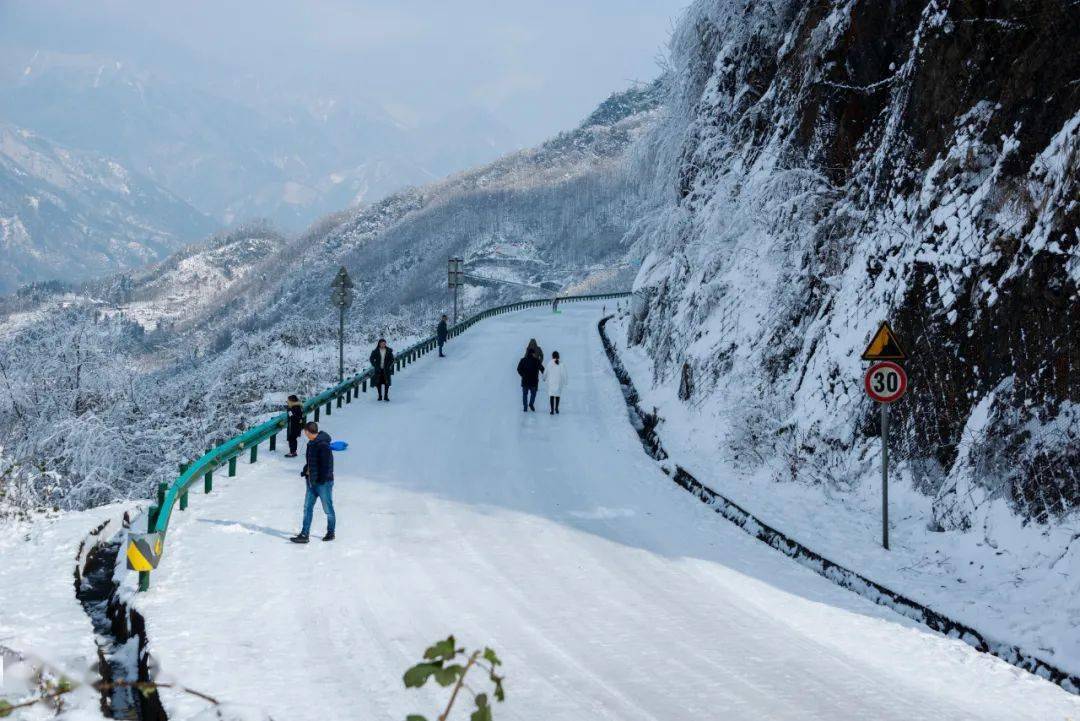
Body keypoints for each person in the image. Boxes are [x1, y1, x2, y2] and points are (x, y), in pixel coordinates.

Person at [290, 422, 336, 543]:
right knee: (307, 507)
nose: (304, 434)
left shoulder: (323, 445)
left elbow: (326, 466)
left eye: (305, 432)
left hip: (323, 483)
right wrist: (306, 470)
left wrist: (320, 480)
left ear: (308, 432)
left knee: (328, 509)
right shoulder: (311, 444)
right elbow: (312, 462)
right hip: (311, 482)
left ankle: (331, 533)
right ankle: (304, 535)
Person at [517, 347, 544, 412]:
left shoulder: (523, 360)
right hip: (533, 381)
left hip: (525, 381)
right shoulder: (537, 361)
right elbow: (542, 369)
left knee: (525, 394)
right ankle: (531, 404)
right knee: (533, 394)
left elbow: (518, 369)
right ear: (533, 354)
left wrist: (522, 375)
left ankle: (525, 407)